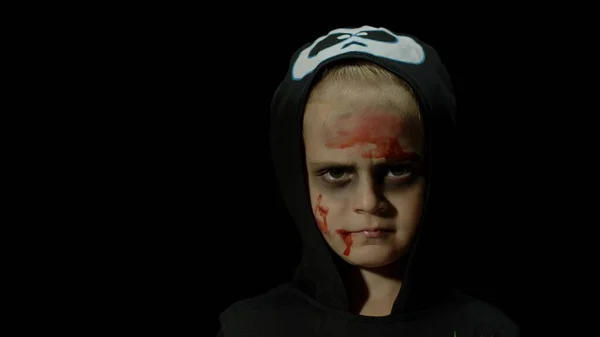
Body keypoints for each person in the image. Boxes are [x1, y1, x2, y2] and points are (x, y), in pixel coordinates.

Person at [217, 25, 519, 336]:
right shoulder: (252, 328)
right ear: (297, 181)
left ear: (434, 173)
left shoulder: (484, 331)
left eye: (397, 170)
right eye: (336, 173)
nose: (369, 202)